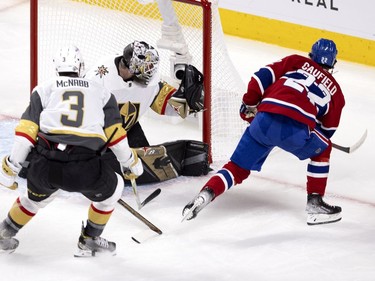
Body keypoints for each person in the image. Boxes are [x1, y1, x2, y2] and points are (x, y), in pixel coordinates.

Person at [182, 38, 345, 225]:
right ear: (332, 64)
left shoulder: (296, 61)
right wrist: (308, 127)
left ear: (311, 55)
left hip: (263, 120)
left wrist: (250, 103)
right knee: (324, 148)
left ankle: (206, 193)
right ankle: (315, 203)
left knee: (237, 168)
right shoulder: (336, 92)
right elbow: (327, 131)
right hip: (295, 131)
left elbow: (260, 77)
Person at [0, 46, 143, 256]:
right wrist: (130, 163)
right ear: (81, 66)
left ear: (57, 68)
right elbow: (116, 137)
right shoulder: (102, 92)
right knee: (114, 189)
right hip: (84, 169)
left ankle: (4, 232)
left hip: (44, 167)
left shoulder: (43, 89)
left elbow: (26, 133)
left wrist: (10, 167)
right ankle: (90, 239)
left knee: (33, 199)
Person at [84, 40, 210, 185]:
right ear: (130, 68)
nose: (149, 76)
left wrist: (188, 103)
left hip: (126, 130)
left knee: (142, 166)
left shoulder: (146, 78)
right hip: (97, 134)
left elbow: (164, 103)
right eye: (146, 72)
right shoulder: (98, 80)